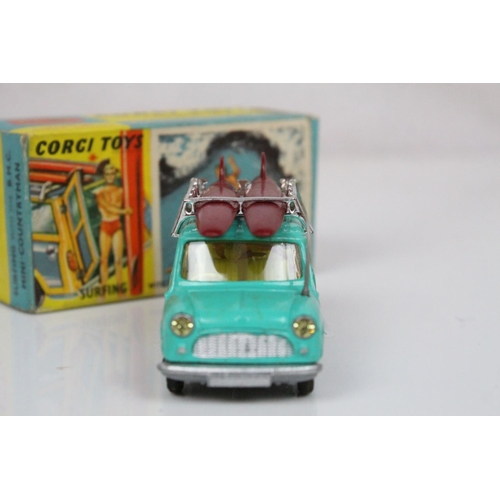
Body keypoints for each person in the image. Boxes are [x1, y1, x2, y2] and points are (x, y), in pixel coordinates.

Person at [94, 161, 132, 288]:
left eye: (112, 173)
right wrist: (124, 211)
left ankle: (120, 289)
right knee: (104, 260)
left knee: (118, 261)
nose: (110, 176)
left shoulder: (121, 191)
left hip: (116, 225)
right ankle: (103, 290)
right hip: (105, 226)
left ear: (115, 175)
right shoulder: (99, 192)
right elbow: (108, 208)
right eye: (107, 174)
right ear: (104, 176)